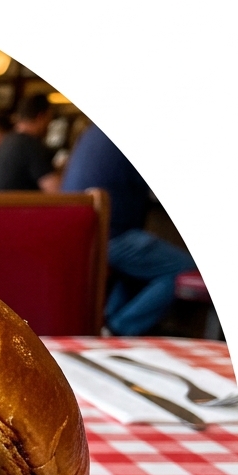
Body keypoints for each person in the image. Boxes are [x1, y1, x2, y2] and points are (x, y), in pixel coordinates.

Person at [62, 124, 194, 335]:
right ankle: (119, 328)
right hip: (112, 234)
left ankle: (112, 324)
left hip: (80, 234)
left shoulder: (91, 132)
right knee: (187, 268)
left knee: (138, 267)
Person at [0, 94, 60, 191]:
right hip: (15, 205)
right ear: (41, 117)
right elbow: (57, 191)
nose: (49, 125)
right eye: (49, 119)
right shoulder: (30, 145)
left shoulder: (8, 140)